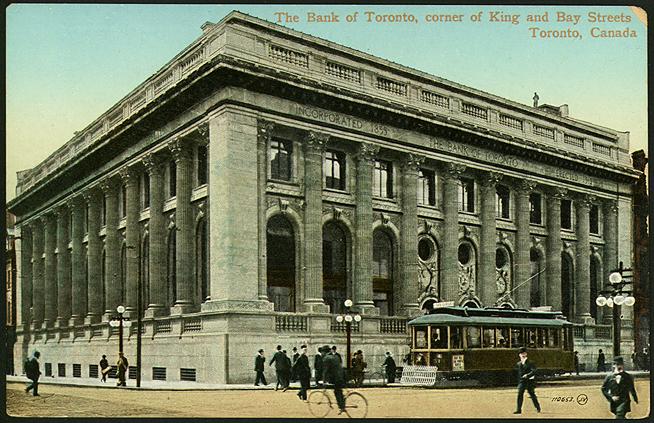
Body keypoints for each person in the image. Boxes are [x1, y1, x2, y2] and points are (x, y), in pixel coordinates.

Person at [514, 347, 541, 414]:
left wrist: (527, 375)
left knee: (532, 394)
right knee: (520, 394)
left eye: (524, 353)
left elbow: (534, 371)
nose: (522, 355)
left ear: (526, 354)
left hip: (529, 381)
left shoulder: (530, 362)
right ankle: (518, 409)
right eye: (521, 354)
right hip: (522, 382)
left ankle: (537, 407)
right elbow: (518, 373)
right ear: (519, 355)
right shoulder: (519, 364)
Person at [321, 345, 346, 414]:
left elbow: (325, 371)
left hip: (336, 378)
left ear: (324, 352)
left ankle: (342, 407)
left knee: (336, 392)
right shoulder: (336, 356)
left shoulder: (326, 358)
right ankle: (342, 404)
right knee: (339, 391)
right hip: (341, 376)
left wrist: (324, 381)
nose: (321, 354)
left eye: (322, 352)